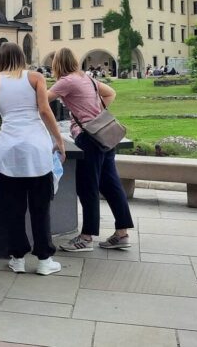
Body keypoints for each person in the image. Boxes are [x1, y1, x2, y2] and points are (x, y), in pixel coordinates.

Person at [0, 43, 65, 276]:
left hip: (9, 149)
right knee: (40, 208)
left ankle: (17, 257)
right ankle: (44, 259)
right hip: (36, 148)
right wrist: (58, 139)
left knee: (14, 208)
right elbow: (44, 110)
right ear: (22, 56)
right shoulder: (35, 77)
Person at [48, 48, 134, 251]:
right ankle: (122, 233)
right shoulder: (86, 78)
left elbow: (42, 99)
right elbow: (111, 92)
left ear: (57, 64)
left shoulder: (67, 81)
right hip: (104, 135)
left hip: (89, 138)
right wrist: (97, 114)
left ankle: (86, 237)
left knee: (88, 187)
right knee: (111, 185)